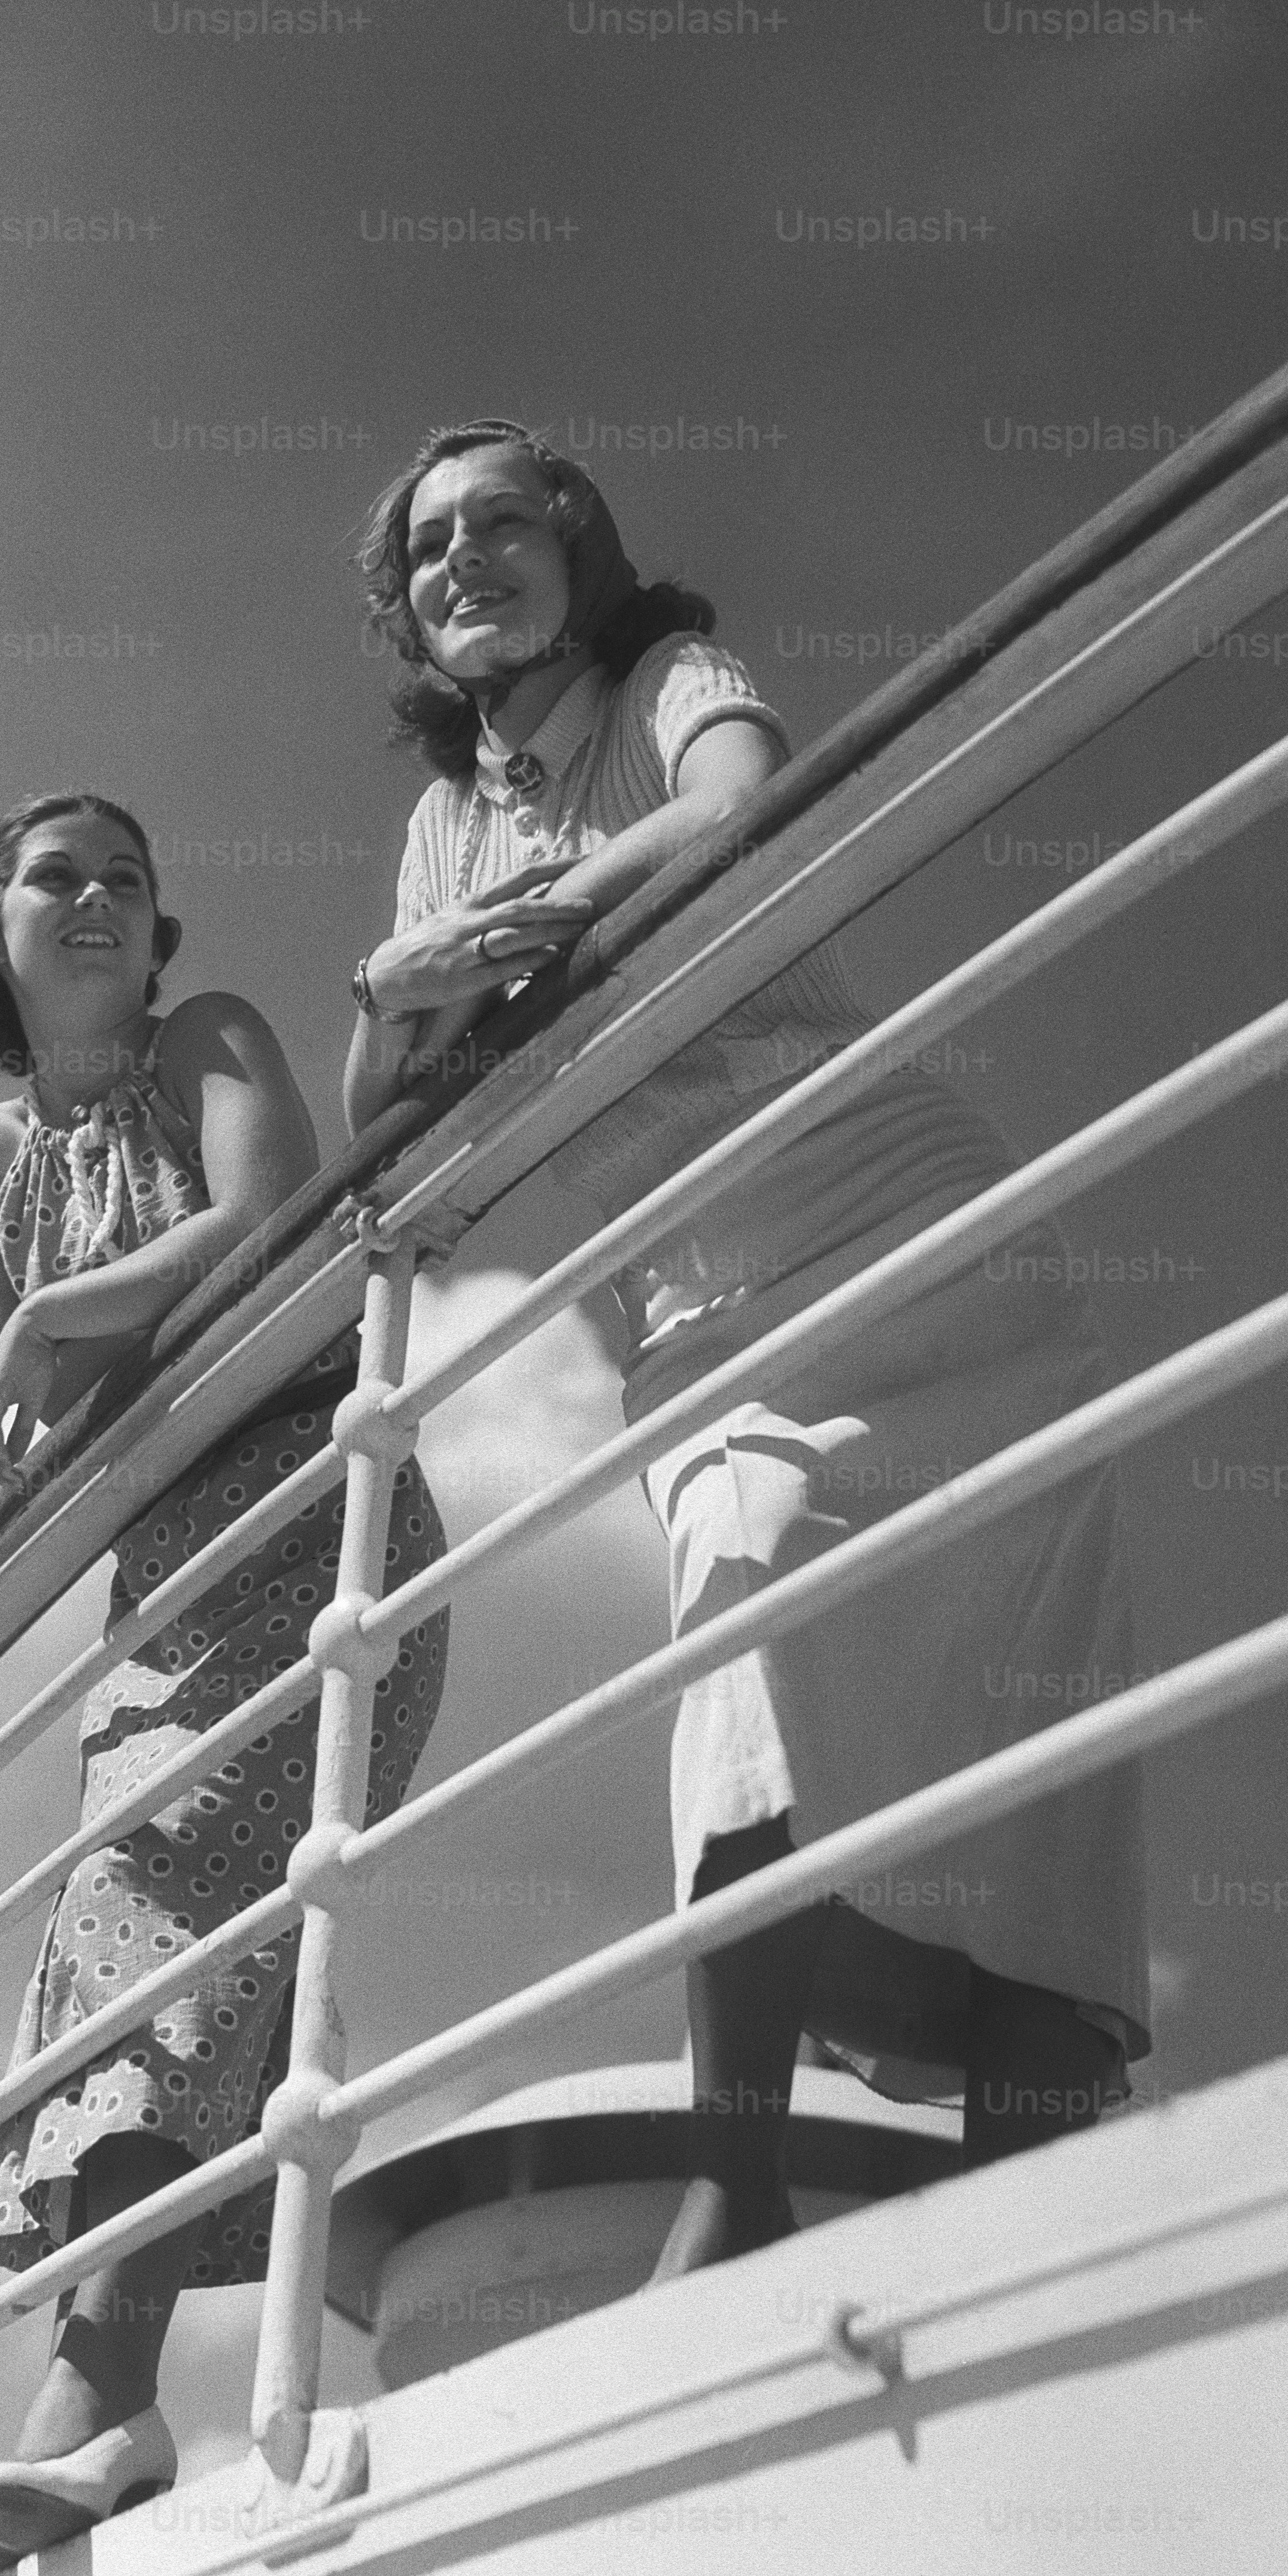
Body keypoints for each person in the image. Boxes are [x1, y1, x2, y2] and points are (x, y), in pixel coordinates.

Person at [346, 420, 1148, 2281]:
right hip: (699, 1302)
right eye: (430, 544)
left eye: (505, 521)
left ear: (583, 547)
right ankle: (744, 2170)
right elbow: (394, 1115)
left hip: (914, 1230)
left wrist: (502, 945)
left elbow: (739, 813)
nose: (466, 559)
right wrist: (397, 984)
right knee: (745, 1620)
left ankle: (1021, 2222)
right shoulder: (442, 827)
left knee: (1022, 1732)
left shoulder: (670, 681)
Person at [0, 791, 449, 2576]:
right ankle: (115, 2414)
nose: (95, 898)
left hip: (316, 1508)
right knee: (117, 1938)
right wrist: (54, 1340)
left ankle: (94, 2405)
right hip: (161, 1580)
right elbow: (55, 1433)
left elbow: (268, 1217)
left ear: (157, 937)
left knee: (161, 1907)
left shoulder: (207, 1039)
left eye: (127, 880)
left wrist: (52, 1314)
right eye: (53, 876)